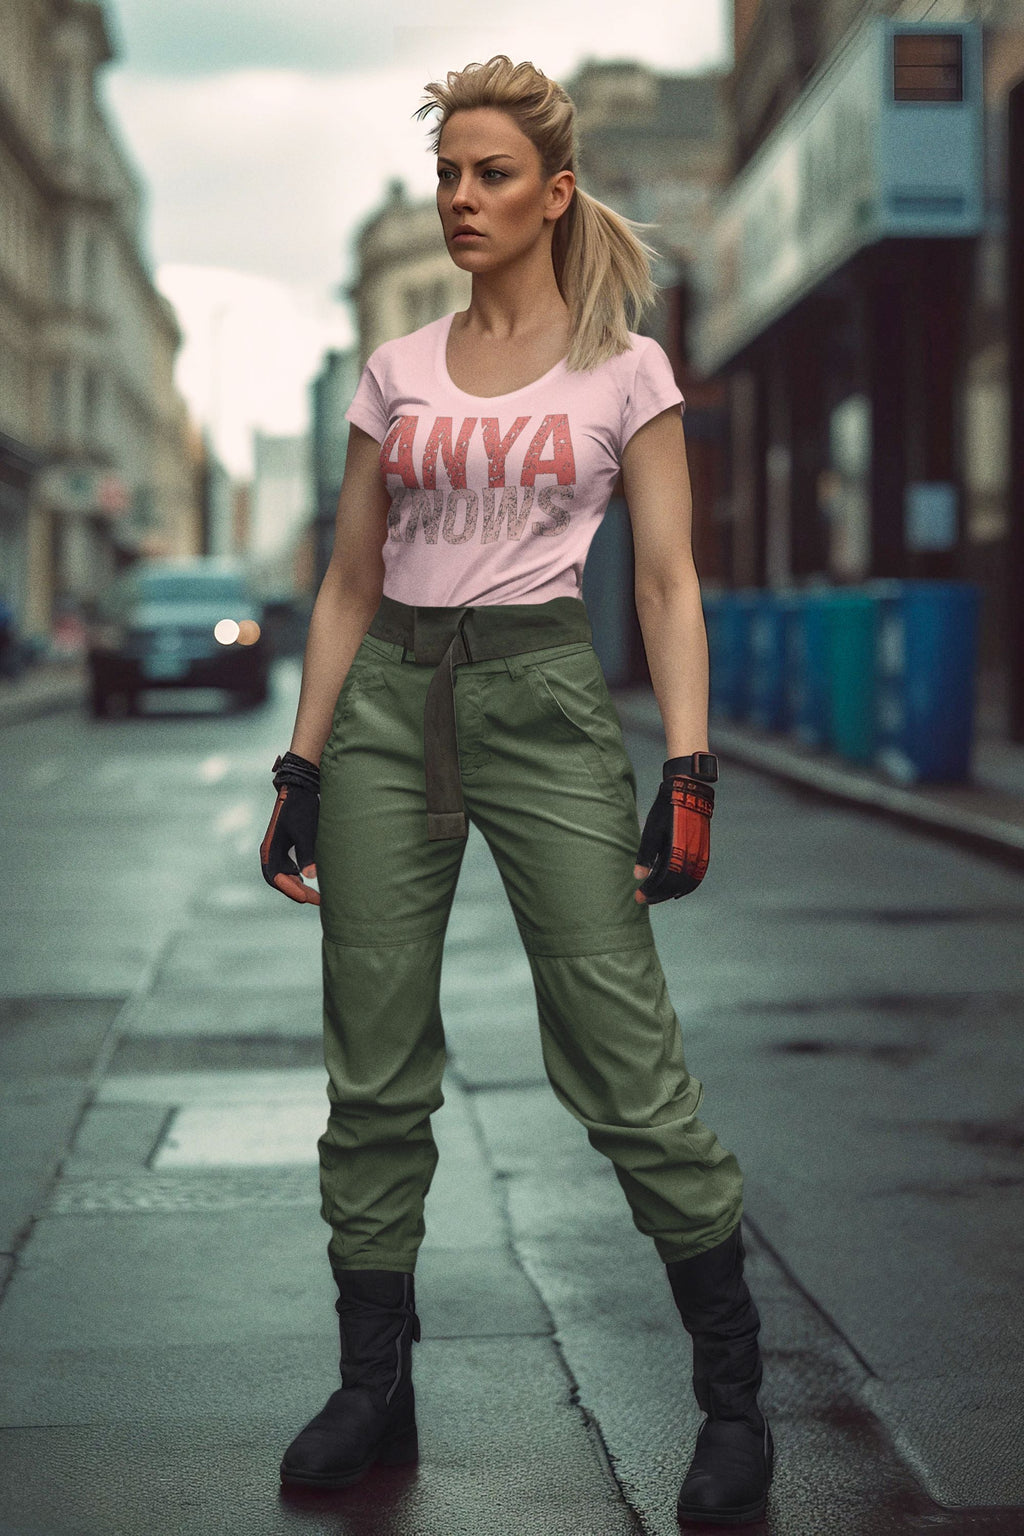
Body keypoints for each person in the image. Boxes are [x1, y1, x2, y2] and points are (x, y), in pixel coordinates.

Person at [260, 54, 773, 1528]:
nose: (462, 199)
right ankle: (373, 1384)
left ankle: (733, 1404)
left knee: (623, 1059)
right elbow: (347, 581)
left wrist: (689, 769)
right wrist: (302, 761)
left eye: (491, 175)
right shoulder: (396, 371)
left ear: (554, 194)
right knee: (374, 1059)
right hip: (388, 703)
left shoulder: (626, 369)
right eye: (447, 174)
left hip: (545, 701)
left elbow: (667, 582)